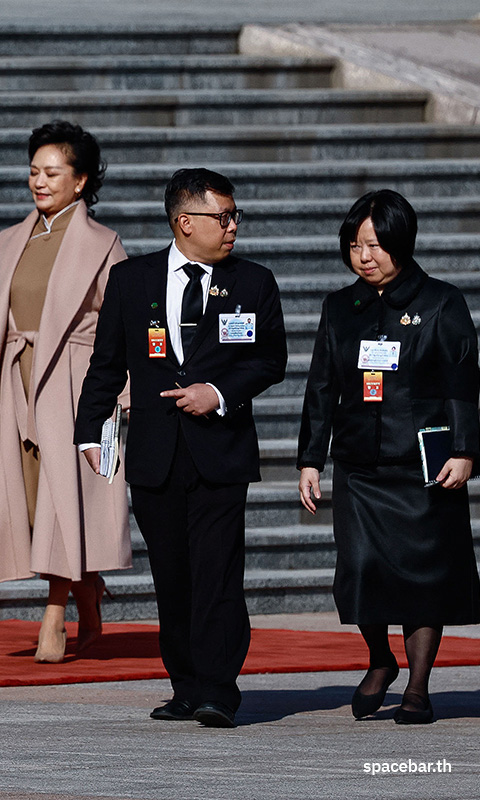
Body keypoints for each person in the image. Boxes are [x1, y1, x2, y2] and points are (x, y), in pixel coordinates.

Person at [74, 168, 287, 728]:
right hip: (155, 452)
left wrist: (216, 392)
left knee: (217, 573)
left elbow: (270, 361)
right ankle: (186, 685)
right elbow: (106, 364)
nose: (233, 226)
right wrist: (88, 431)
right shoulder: (131, 280)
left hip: (220, 450)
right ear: (184, 221)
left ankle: (220, 687)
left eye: (236, 215)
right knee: (172, 575)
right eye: (224, 216)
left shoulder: (253, 282)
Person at [0, 121, 131, 664]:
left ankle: (55, 612)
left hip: (76, 384)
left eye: (53, 172)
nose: (40, 181)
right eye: (34, 171)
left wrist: (120, 399)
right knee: (33, 502)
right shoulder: (8, 241)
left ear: (81, 181)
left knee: (60, 497)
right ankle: (89, 594)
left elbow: (120, 327)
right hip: (15, 381)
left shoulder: (104, 246)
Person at [297, 190, 480, 725]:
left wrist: (466, 451)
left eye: (375, 245)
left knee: (423, 581)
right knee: (359, 570)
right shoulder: (340, 306)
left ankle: (419, 688)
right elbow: (320, 386)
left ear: (402, 243)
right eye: (354, 245)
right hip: (359, 466)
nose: (364, 256)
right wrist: (311, 458)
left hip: (424, 466)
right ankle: (380, 659)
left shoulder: (440, 303)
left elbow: (463, 385)